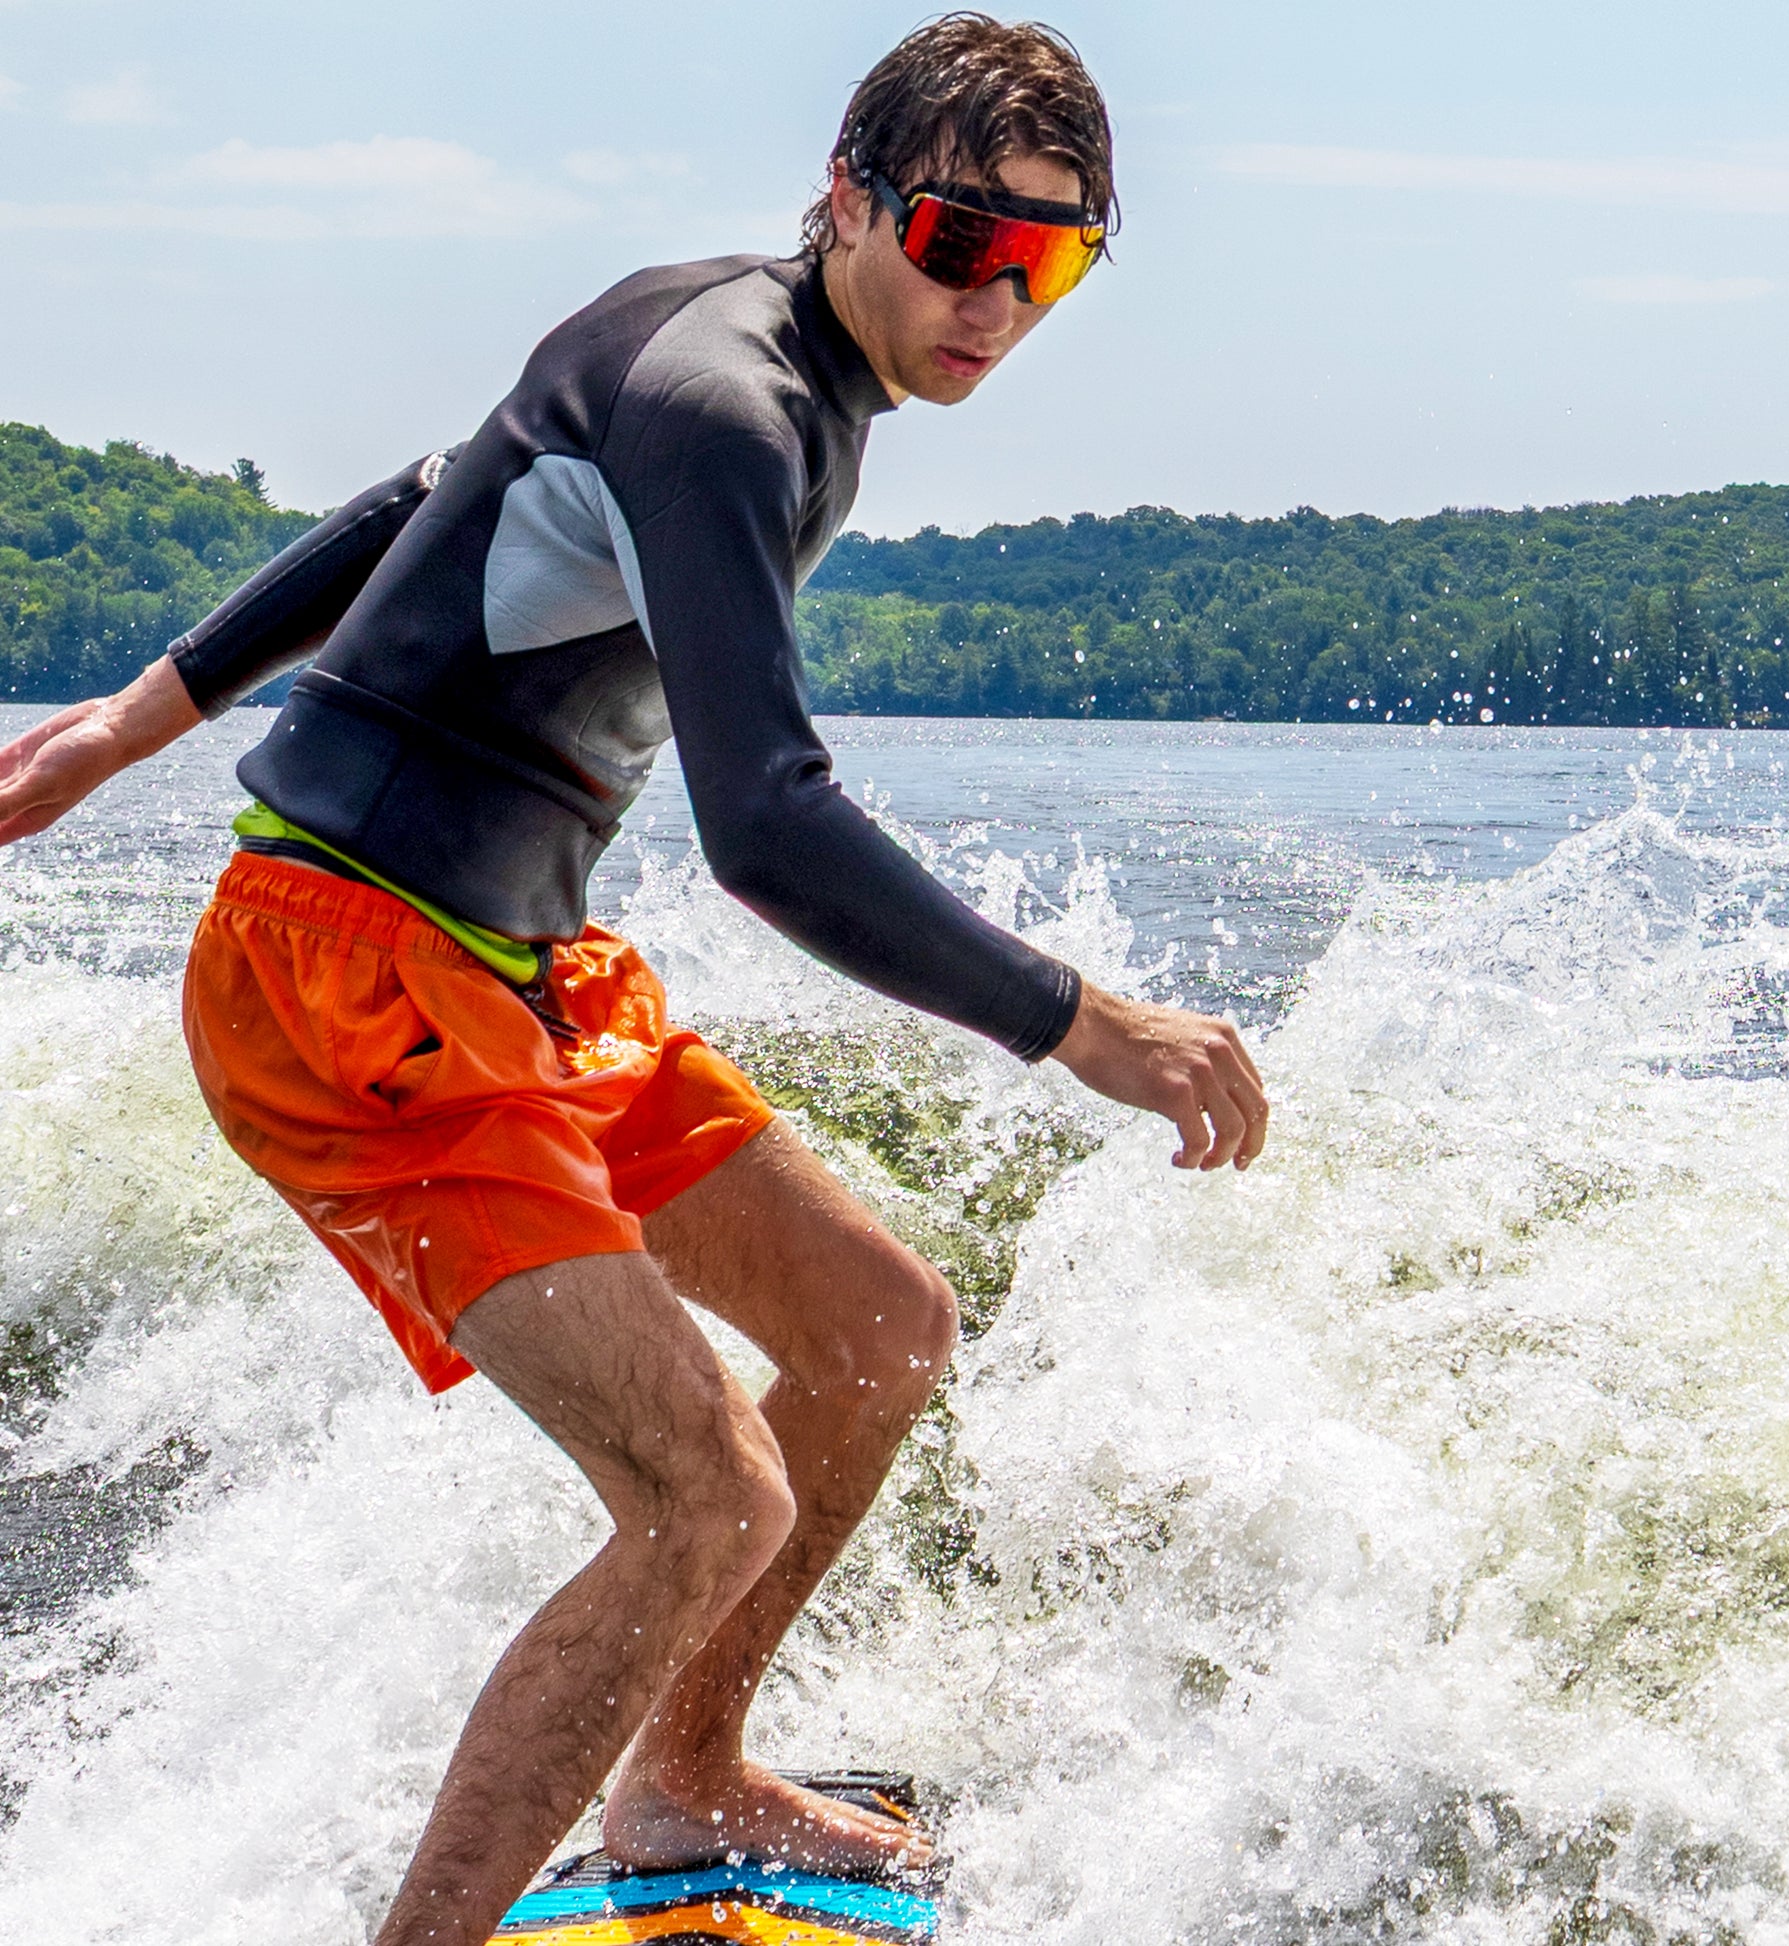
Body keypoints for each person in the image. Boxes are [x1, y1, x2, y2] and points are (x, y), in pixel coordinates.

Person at [0, 15, 1268, 1943]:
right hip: (346, 973)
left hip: (520, 959)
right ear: (848, 198)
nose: (999, 301)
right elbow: (766, 822)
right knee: (710, 1494)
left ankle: (681, 1774)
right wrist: (1082, 1021)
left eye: (1056, 261)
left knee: (876, 1328)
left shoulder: (746, 348)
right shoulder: (725, 401)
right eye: (959, 241)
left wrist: (125, 724)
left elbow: (415, 493)